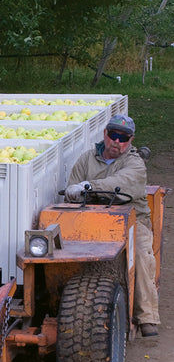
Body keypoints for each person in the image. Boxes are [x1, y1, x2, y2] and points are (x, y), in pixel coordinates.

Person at [64, 114, 160, 337]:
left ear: (131, 140)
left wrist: (88, 187)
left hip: (133, 220)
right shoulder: (85, 159)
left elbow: (122, 184)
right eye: (114, 135)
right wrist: (73, 193)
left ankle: (147, 316)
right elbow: (73, 188)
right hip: (91, 219)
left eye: (124, 137)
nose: (118, 142)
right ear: (105, 134)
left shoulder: (134, 163)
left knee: (142, 254)